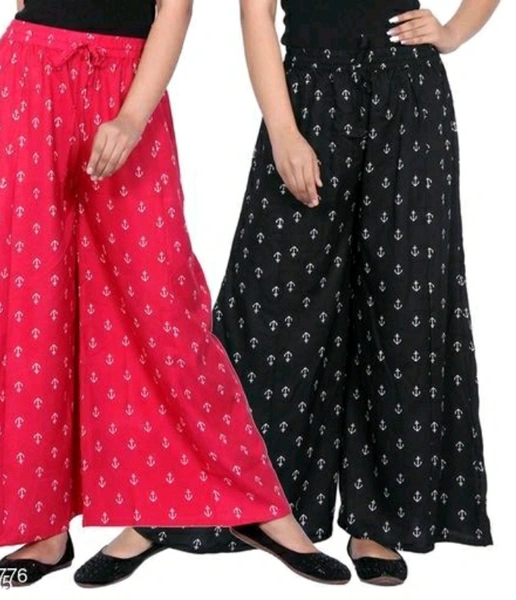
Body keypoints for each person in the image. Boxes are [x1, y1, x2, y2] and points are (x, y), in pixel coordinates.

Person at [0, 0, 352, 588]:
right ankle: (43, 528)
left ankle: (259, 506)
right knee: (32, 311)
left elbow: (174, 11)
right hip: (24, 85)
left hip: (128, 86)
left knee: (166, 310)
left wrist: (131, 117)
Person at [134, 0, 499, 586]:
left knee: (401, 304)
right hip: (307, 97)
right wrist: (283, 131)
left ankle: (378, 519)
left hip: (408, 96)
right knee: (269, 304)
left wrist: (453, 31)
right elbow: (256, 15)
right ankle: (239, 495)